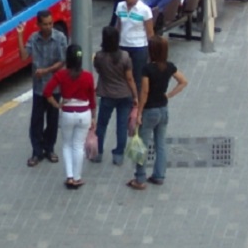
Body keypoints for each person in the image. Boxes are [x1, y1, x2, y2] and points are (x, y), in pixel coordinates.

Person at [127, 36, 188, 190]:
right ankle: (159, 175)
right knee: (160, 144)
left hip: (149, 111)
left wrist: (139, 112)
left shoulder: (147, 69)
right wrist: (169, 95)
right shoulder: (169, 66)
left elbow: (145, 92)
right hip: (163, 109)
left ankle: (140, 178)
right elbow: (183, 81)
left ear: (151, 51)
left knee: (142, 145)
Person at [17, 10, 67, 167]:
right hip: (39, 88)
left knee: (52, 120)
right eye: (45, 24)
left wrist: (45, 71)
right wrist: (20, 35)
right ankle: (37, 151)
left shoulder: (60, 38)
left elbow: (62, 61)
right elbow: (24, 56)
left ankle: (49, 148)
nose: (48, 27)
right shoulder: (34, 39)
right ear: (38, 24)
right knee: (36, 121)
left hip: (54, 87)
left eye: (50, 23)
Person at [43, 44, 96, 189]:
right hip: (84, 113)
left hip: (67, 113)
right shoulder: (88, 76)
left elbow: (47, 91)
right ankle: (77, 177)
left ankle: (69, 177)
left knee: (67, 145)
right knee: (78, 146)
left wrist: (57, 105)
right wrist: (93, 117)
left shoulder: (61, 75)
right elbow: (92, 99)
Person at [93, 26, 138, 166]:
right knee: (121, 125)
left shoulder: (99, 56)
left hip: (106, 95)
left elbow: (98, 70)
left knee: (102, 125)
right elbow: (130, 79)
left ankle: (98, 152)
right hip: (124, 95)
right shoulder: (124, 56)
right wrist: (135, 96)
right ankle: (118, 155)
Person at [115, 0, 154, 98]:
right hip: (123, 46)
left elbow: (150, 32)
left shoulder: (145, 10)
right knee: (122, 75)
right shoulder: (120, 6)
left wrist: (151, 52)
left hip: (139, 48)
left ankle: (137, 100)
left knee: (138, 77)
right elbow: (118, 26)